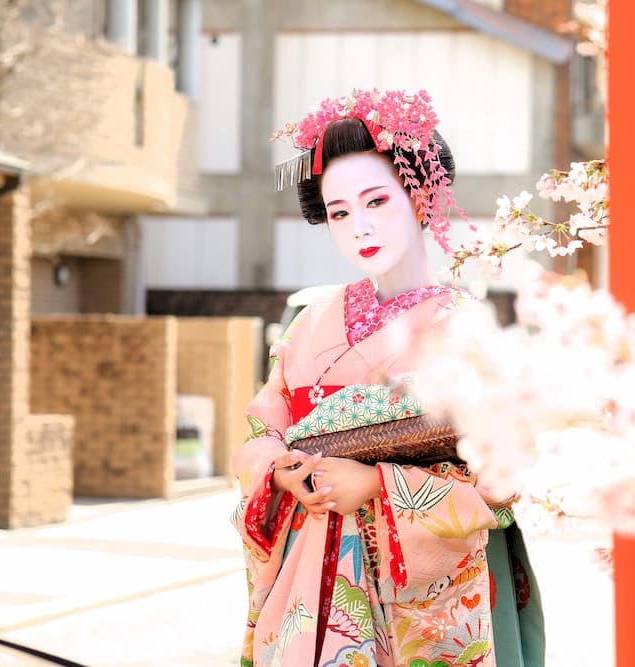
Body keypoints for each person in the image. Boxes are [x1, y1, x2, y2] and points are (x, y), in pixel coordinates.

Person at [232, 89, 543, 667]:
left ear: (421, 194)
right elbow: (262, 425)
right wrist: (281, 471)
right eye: (339, 212)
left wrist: (377, 485)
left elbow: (503, 475)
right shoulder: (312, 321)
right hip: (314, 560)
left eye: (376, 200)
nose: (358, 226)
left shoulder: (463, 327)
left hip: (428, 584)